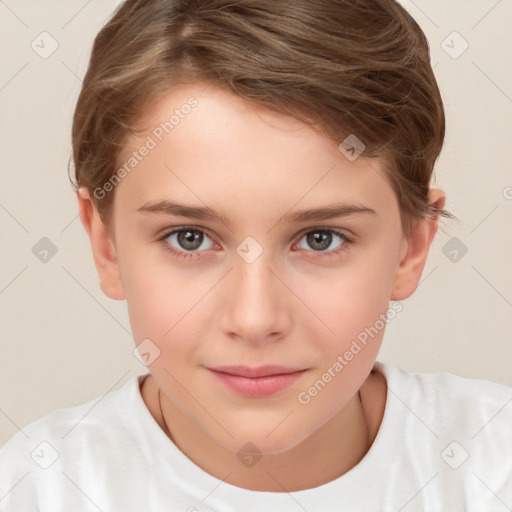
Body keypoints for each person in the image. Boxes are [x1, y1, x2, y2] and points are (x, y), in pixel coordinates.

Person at [1, 0, 510, 510]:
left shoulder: (492, 469)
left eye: (320, 239)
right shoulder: (37, 490)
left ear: (412, 246)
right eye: (190, 238)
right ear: (106, 244)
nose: (254, 318)